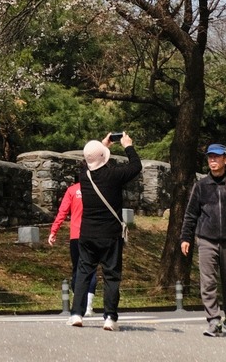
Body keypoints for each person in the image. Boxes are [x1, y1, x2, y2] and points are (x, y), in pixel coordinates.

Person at [68, 132, 141, 332]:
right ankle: (109, 317)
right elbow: (136, 166)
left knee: (83, 272)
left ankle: (76, 313)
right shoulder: (114, 175)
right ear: (104, 157)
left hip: (87, 233)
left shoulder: (84, 176)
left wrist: (102, 145)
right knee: (111, 275)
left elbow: (90, 160)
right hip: (110, 234)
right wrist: (128, 146)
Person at [180, 142, 226, 338]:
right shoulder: (201, 185)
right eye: (210, 157)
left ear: (225, 160)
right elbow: (190, 214)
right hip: (206, 239)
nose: (213, 160)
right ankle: (213, 321)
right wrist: (185, 238)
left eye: (217, 157)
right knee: (208, 281)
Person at [48, 180, 98, 316]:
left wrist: (54, 231)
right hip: (93, 234)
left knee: (77, 269)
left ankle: (78, 305)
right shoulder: (97, 188)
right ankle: (88, 305)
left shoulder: (72, 190)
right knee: (92, 270)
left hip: (76, 235)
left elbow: (62, 211)